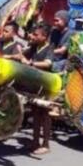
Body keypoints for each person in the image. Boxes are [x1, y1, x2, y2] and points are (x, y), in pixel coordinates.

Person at [21, 24, 54, 156]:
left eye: (36, 35)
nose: (33, 36)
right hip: (35, 85)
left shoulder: (49, 48)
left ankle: (45, 144)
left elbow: (48, 63)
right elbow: (22, 54)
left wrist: (31, 64)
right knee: (35, 114)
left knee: (44, 114)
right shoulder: (34, 47)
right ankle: (35, 142)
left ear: (44, 37)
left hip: (46, 85)